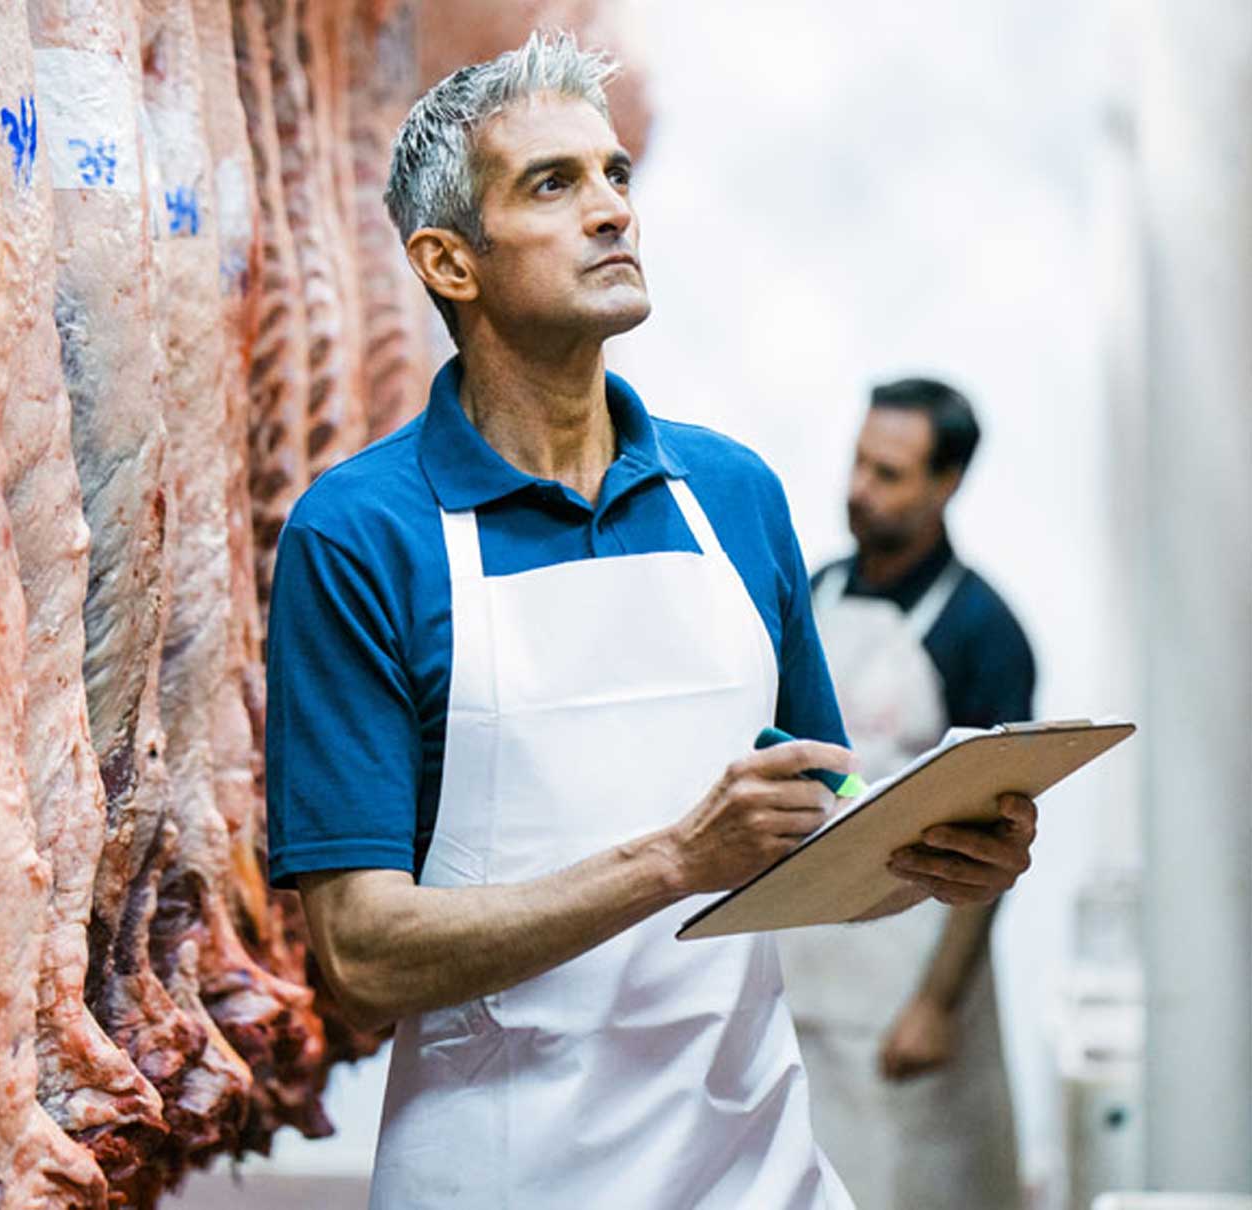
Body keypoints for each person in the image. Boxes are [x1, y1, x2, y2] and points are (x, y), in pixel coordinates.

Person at [263, 33, 1039, 1209]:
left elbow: (818, 819)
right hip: (505, 1176)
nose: (614, 211)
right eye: (554, 184)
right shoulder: (360, 532)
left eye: (615, 174)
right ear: (448, 263)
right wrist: (673, 861)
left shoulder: (732, 494)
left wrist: (937, 859)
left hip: (756, 1169)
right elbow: (363, 958)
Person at [777, 378, 1035, 1209]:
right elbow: (819, 770)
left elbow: (997, 841)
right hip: (807, 972)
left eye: (888, 474)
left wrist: (934, 1004)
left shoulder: (983, 630)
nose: (860, 489)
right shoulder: (814, 592)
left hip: (910, 987)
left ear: (946, 482)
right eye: (858, 463)